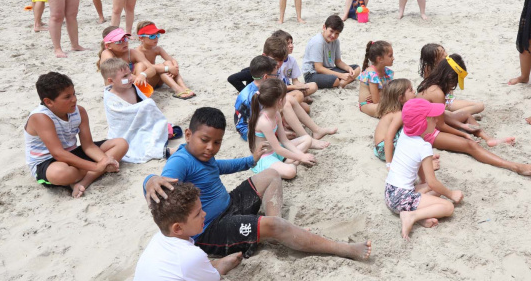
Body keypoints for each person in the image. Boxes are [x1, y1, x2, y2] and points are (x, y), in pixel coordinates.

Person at [143, 107, 372, 260]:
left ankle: (279, 225)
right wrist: (149, 180)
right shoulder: (181, 161)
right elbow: (164, 182)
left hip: (230, 207)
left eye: (217, 142)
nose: (211, 148)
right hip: (212, 230)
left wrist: (251, 160)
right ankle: (344, 249)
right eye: (205, 140)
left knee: (272, 173)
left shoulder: (203, 156)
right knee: (275, 227)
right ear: (188, 135)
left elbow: (223, 166)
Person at [131, 182, 243, 281]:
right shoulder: (190, 254)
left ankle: (211, 267)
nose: (204, 214)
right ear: (178, 228)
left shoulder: (158, 238)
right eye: (198, 214)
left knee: (189, 270)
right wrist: (217, 269)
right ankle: (215, 266)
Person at [419, 55, 531, 176]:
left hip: (430, 123)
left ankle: (489, 139)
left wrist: (462, 125)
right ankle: (515, 166)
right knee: (470, 145)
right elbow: (440, 125)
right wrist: (463, 134)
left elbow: (439, 115)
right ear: (449, 76)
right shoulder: (437, 93)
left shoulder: (432, 83)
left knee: (466, 114)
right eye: (454, 82)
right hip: (426, 132)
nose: (453, 86)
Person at [24, 71, 128, 197]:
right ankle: (82, 176)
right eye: (67, 97)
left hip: (72, 153)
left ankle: (84, 181)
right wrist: (96, 166)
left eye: (74, 94)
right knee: (61, 173)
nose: (74, 99)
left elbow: (88, 146)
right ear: (49, 102)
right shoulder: (40, 117)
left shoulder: (79, 111)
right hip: (47, 162)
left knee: (120, 144)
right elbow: (58, 153)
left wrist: (105, 160)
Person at [385, 98, 464, 240]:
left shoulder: (404, 133)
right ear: (423, 123)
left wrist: (423, 182)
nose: (436, 120)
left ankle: (419, 215)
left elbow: (420, 168)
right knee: (448, 207)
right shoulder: (423, 147)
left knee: (435, 191)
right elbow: (433, 182)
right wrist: (451, 194)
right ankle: (411, 215)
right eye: (432, 118)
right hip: (402, 197)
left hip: (390, 192)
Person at [101, 58, 170, 163]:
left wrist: (146, 106)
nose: (130, 78)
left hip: (141, 125)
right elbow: (121, 119)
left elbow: (146, 107)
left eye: (129, 74)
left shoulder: (132, 87)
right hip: (125, 132)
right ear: (111, 81)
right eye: (124, 76)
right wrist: (146, 105)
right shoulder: (111, 98)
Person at [247, 78, 319, 179]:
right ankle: (290, 163)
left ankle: (288, 161)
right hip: (265, 157)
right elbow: (278, 148)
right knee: (290, 172)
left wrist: (300, 155)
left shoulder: (276, 114)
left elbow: (285, 141)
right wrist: (301, 156)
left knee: (307, 139)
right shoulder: (264, 122)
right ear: (280, 101)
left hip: (276, 152)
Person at [135, 21, 195, 99]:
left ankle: (183, 86)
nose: (156, 38)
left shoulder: (157, 49)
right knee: (162, 67)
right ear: (141, 38)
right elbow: (148, 67)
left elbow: (171, 59)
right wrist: (167, 68)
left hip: (157, 80)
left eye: (157, 35)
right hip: (146, 80)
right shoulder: (138, 51)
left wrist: (175, 66)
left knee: (168, 62)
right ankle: (177, 89)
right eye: (152, 36)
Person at [302, 15, 360, 89]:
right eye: (331, 31)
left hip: (329, 69)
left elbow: (338, 62)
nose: (333, 35)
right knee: (335, 80)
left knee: (356, 68)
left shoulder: (336, 41)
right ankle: (341, 81)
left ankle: (342, 83)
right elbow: (319, 68)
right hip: (312, 74)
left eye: (337, 33)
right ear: (324, 27)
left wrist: (348, 69)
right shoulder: (317, 42)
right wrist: (340, 75)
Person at [373, 78, 415, 164]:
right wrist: (389, 163)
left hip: (380, 148)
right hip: (384, 149)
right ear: (401, 98)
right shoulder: (398, 114)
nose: (414, 91)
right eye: (411, 90)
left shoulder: (394, 112)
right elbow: (389, 137)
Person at [272, 29, 318, 101]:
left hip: (289, 89)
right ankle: (299, 98)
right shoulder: (275, 63)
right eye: (288, 43)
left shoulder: (291, 60)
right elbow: (275, 87)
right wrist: (295, 87)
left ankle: (298, 98)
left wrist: (300, 86)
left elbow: (295, 80)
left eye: (291, 43)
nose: (291, 46)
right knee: (305, 107)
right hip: (279, 92)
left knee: (313, 85)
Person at [358, 40, 394, 117]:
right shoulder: (372, 74)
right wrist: (382, 93)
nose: (393, 58)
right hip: (367, 104)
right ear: (379, 59)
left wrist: (380, 93)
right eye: (390, 56)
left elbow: (390, 91)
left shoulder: (387, 72)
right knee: (383, 109)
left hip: (382, 100)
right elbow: (376, 100)